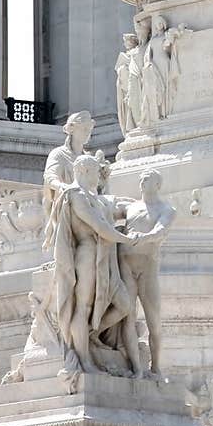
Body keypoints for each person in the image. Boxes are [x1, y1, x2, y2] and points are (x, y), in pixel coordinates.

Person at [48, 154, 138, 375]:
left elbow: (118, 208)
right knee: (83, 307)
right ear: (84, 170)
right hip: (88, 255)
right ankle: (85, 361)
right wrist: (126, 239)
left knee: (124, 305)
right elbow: (98, 225)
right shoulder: (75, 195)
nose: (99, 177)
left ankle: (88, 333)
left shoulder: (96, 198)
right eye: (96, 172)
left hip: (106, 258)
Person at [117, 169, 176, 377]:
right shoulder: (129, 207)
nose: (142, 181)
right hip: (126, 264)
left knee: (154, 320)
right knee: (129, 316)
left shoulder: (166, 209)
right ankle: (136, 368)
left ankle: (156, 366)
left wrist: (142, 237)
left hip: (147, 267)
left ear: (157, 185)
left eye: (147, 179)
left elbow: (160, 231)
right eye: (141, 178)